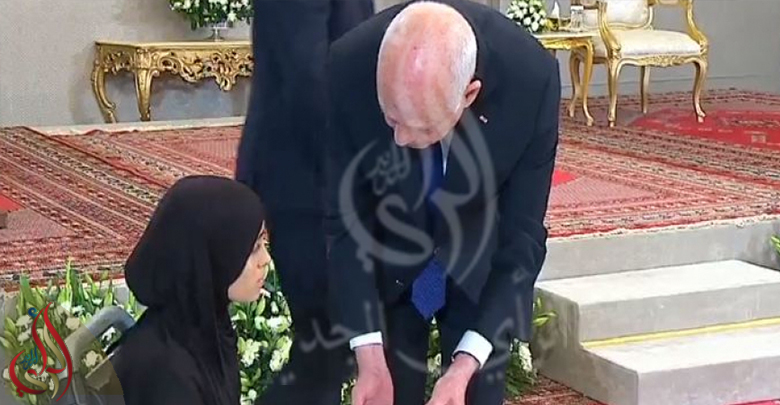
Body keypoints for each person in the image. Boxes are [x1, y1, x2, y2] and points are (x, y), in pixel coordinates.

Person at [324, 1, 561, 405]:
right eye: (390, 119)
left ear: (469, 95)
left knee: (474, 392)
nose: (399, 139)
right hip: (389, 254)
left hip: (476, 261)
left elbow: (522, 234)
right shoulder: (348, 65)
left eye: (420, 128)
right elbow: (343, 219)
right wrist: (368, 354)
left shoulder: (530, 80)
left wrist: (467, 363)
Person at [234, 1, 373, 404]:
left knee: (328, 347)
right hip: (305, 177)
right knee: (325, 343)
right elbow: (308, 78)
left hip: (316, 176)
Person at [111, 175, 270, 405]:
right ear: (213, 256)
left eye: (263, 243)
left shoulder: (204, 328)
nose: (265, 259)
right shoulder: (167, 374)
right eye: (253, 248)